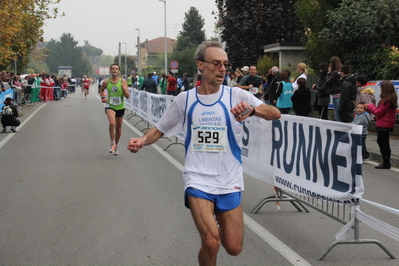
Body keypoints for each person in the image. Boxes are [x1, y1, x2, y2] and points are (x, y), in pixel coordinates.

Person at [127, 41, 281, 266]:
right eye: (216, 63)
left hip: (229, 180)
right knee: (211, 242)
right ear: (201, 65)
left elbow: (275, 113)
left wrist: (253, 110)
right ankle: (209, 238)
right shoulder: (185, 99)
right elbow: (159, 129)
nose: (222, 69)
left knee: (234, 248)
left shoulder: (237, 95)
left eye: (225, 64)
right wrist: (142, 140)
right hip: (197, 179)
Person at [365, 80, 398, 169]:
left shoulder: (386, 100)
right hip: (386, 122)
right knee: (382, 141)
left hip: (384, 123)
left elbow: (379, 112)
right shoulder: (391, 99)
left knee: (383, 143)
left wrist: (370, 106)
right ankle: (385, 161)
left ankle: (386, 162)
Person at [100, 64, 130, 156]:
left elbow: (127, 96)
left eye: (116, 69)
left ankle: (116, 146)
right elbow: (101, 90)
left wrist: (125, 90)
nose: (114, 70)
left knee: (118, 128)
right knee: (112, 123)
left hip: (120, 106)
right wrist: (103, 97)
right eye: (113, 69)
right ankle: (112, 143)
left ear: (119, 71)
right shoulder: (106, 82)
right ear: (110, 70)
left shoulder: (123, 81)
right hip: (110, 105)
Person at [327, 56, 343, 121]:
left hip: (335, 94)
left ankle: (339, 128)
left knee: (337, 114)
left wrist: (329, 73)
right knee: (340, 113)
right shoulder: (341, 72)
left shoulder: (334, 73)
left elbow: (328, 82)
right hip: (342, 94)